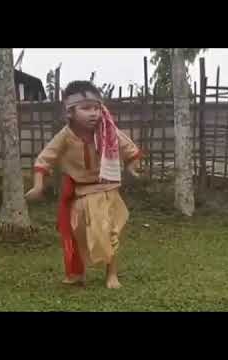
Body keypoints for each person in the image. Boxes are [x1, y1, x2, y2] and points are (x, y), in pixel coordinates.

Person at [25, 81, 142, 289]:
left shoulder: (108, 131)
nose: (93, 113)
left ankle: (112, 274)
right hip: (80, 196)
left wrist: (132, 166)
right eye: (86, 108)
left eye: (96, 108)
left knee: (110, 233)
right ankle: (79, 274)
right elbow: (44, 160)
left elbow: (130, 149)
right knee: (80, 236)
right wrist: (38, 186)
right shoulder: (64, 137)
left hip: (107, 191)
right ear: (70, 112)